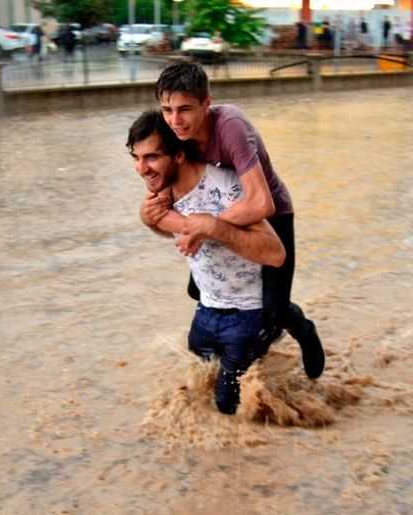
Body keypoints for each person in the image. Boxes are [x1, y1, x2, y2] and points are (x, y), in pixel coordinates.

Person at [140, 59, 325, 380]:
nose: (175, 120)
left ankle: (302, 329)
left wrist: (207, 228)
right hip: (221, 213)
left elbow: (261, 202)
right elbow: (165, 200)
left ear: (206, 103)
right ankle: (253, 338)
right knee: (197, 291)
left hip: (273, 213)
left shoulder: (230, 127)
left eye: (184, 109)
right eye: (167, 109)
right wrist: (150, 215)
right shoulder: (176, 134)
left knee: (276, 309)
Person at [128, 110, 286, 414]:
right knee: (195, 392)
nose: (141, 169)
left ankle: (282, 324)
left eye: (151, 157)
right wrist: (149, 222)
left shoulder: (226, 185)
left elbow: (275, 252)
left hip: (247, 312)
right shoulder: (164, 192)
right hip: (206, 309)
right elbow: (175, 230)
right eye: (136, 158)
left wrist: (212, 227)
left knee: (227, 406)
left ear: (178, 155)